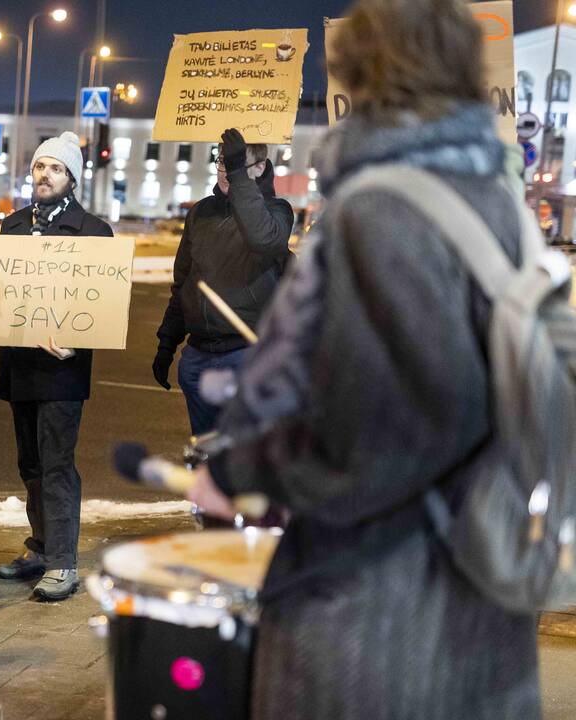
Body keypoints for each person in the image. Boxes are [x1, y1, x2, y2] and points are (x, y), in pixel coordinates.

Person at [187, 0, 541, 717]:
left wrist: (238, 470)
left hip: (379, 614)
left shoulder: (381, 210)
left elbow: (374, 429)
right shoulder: (495, 205)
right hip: (480, 597)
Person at [0, 132, 113, 601]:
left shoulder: (93, 232)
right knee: (30, 464)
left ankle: (63, 563)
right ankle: (40, 547)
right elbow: (3, 294)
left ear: (72, 178)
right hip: (20, 365)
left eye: (56, 169)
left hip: (62, 371)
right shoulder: (14, 226)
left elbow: (102, 304)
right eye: (40, 167)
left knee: (58, 465)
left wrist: (77, 344)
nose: (45, 175)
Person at [152, 133, 293, 435]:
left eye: (236, 164)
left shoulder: (277, 211)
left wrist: (238, 173)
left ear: (260, 167)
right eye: (221, 162)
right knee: (205, 455)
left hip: (245, 357)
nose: (227, 171)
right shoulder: (201, 213)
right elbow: (184, 283)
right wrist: (167, 343)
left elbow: (263, 239)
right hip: (198, 358)